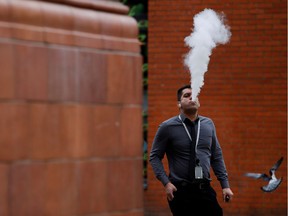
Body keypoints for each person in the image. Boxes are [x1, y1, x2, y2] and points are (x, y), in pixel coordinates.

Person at [149, 84, 234, 216]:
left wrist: (225, 185)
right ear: (179, 104)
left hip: (204, 189)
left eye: (194, 95)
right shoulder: (167, 127)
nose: (191, 98)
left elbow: (216, 156)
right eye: (186, 96)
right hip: (181, 191)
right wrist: (166, 183)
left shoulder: (208, 124)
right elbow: (154, 157)